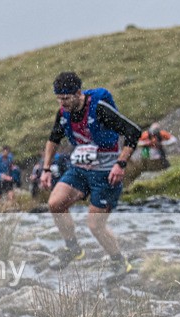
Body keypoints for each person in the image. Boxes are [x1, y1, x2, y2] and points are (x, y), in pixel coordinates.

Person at [39, 71, 141, 281]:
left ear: (78, 93)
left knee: (95, 225)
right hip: (80, 169)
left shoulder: (100, 109)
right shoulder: (63, 113)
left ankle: (120, 263)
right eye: (58, 99)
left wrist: (120, 164)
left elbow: (133, 132)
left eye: (66, 98)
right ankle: (74, 249)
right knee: (55, 204)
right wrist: (46, 169)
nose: (62, 103)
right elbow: (53, 139)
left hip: (105, 174)